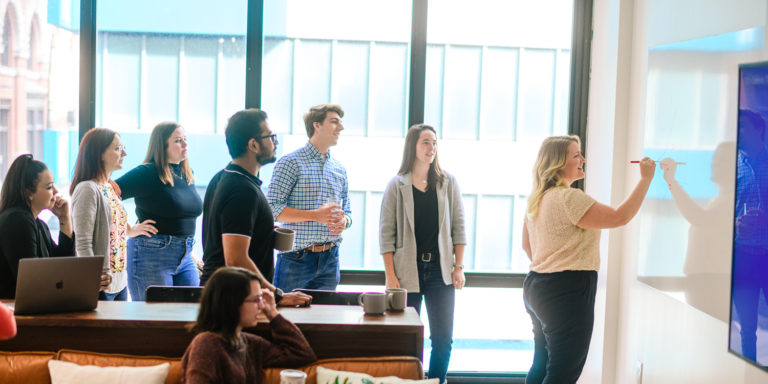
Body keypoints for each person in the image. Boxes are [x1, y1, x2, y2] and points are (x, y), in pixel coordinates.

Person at [521, 135, 655, 384]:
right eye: (576, 155)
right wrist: (645, 180)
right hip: (566, 291)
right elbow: (619, 217)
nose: (583, 159)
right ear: (559, 163)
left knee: (542, 363)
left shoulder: (537, 198)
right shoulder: (568, 198)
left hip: (536, 286)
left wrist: (550, 263)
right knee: (562, 373)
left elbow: (526, 246)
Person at [379, 124, 466, 384]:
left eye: (434, 143)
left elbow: (459, 227)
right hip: (407, 272)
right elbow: (386, 234)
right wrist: (390, 276)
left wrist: (458, 267)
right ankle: (409, 381)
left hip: (441, 273)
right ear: (413, 147)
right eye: (425, 142)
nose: (431, 148)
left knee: (443, 340)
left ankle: (436, 381)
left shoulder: (448, 182)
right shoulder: (396, 185)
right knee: (405, 337)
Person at [201, 108, 311, 306]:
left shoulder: (222, 178)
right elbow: (235, 259)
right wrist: (277, 295)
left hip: (227, 297)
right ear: (253, 145)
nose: (275, 141)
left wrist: (263, 233)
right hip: (233, 302)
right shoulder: (241, 190)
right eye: (270, 136)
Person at [267, 104, 351, 292]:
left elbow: (349, 212)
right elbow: (272, 208)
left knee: (325, 320)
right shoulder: (290, 163)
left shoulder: (339, 169)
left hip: (331, 259)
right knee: (286, 318)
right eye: (334, 122)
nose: (341, 127)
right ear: (317, 125)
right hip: (295, 260)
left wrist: (345, 221)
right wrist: (316, 215)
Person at [182, 267, 317, 384]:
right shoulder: (206, 344)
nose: (261, 306)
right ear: (232, 303)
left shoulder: (248, 343)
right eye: (255, 300)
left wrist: (273, 313)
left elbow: (303, 354)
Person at [116, 122, 203, 301]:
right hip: (151, 253)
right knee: (155, 321)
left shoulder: (187, 173)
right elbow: (107, 193)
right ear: (162, 146)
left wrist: (186, 251)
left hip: (185, 255)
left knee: (191, 316)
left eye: (185, 139)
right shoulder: (147, 172)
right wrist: (129, 229)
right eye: (178, 141)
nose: (185, 145)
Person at [71, 128, 157, 301]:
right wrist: (91, 276)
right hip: (101, 283)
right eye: (118, 149)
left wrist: (132, 230)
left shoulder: (110, 187)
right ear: (100, 154)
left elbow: (112, 226)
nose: (124, 153)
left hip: (119, 282)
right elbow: (83, 242)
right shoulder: (87, 189)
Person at [0, 154, 74, 299]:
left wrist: (64, 218)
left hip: (28, 310)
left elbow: (63, 266)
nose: (56, 192)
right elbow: (33, 282)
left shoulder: (39, 224)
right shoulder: (17, 220)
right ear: (29, 194)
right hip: (14, 313)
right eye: (49, 187)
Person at [730, 109, 768, 362]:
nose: (739, 132)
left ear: (759, 131)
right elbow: (721, 211)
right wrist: (735, 224)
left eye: (744, 127)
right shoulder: (731, 169)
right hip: (741, 258)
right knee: (747, 330)